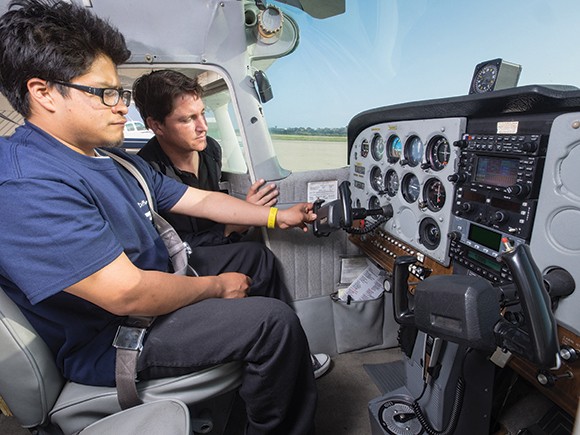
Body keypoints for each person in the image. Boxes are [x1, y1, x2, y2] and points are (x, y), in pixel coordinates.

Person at [0, 1, 317, 433]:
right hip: (111, 336)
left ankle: (275, 377)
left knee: (254, 259)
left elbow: (199, 201)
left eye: (121, 93)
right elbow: (127, 294)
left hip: (150, 294)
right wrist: (216, 287)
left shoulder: (110, 159)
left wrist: (278, 216)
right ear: (44, 93)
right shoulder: (26, 184)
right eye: (106, 93)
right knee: (272, 324)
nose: (121, 108)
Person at [132, 70, 331, 378]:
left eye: (203, 114)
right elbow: (174, 246)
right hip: (180, 259)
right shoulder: (147, 172)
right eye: (187, 119)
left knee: (255, 254)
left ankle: (284, 351)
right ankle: (279, 349)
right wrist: (231, 228)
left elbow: (210, 203)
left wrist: (274, 216)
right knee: (256, 256)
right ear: (156, 125)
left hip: (211, 243)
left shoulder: (211, 149)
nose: (202, 127)